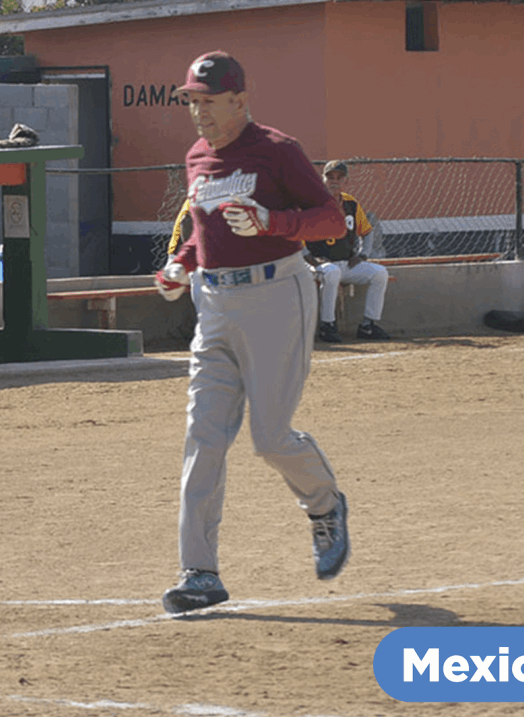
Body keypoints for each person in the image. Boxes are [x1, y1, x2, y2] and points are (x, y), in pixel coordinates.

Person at [153, 51, 351, 614]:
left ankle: (323, 504)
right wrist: (181, 265)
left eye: (208, 101)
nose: (198, 113)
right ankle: (199, 572)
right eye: (192, 101)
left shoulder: (277, 151)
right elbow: (202, 233)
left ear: (241, 100)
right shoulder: (196, 157)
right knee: (204, 438)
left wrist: (274, 222)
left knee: (269, 437)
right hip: (213, 300)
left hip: (275, 296)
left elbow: (331, 220)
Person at [305, 160, 392, 342]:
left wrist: (362, 255)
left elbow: (367, 232)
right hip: (319, 264)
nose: (334, 181)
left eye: (339, 177)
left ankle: (368, 325)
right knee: (332, 272)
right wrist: (310, 259)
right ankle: (327, 326)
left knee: (380, 273)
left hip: (346, 263)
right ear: (323, 180)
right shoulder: (311, 203)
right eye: (330, 177)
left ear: (346, 181)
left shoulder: (351, 203)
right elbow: (296, 237)